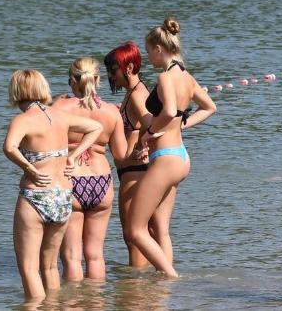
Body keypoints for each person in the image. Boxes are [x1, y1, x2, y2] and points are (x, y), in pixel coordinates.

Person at [125, 18, 216, 277]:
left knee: (135, 230)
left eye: (148, 51)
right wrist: (181, 125)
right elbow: (209, 107)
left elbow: (167, 111)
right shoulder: (187, 77)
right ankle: (164, 289)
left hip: (165, 158)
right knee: (161, 229)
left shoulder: (165, 76)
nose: (148, 57)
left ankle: (170, 277)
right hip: (180, 157)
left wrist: (149, 134)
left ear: (158, 49)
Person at [3, 69, 102, 299]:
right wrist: (74, 155)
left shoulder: (22, 120)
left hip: (36, 196)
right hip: (63, 196)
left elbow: (9, 147)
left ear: (18, 91)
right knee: (49, 267)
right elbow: (95, 127)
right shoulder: (59, 115)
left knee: (29, 268)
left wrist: (29, 168)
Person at [51, 57, 128, 280]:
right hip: (102, 182)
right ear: (98, 80)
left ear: (73, 81)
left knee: (72, 257)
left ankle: (75, 303)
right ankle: (95, 302)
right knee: (95, 256)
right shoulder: (112, 112)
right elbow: (122, 156)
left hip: (71, 179)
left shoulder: (60, 108)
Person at [103, 42, 156, 268]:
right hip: (133, 170)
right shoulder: (133, 92)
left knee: (133, 236)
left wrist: (143, 145)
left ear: (129, 67)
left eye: (113, 70)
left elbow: (150, 122)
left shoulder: (137, 95)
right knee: (143, 233)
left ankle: (136, 288)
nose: (110, 76)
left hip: (135, 171)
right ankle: (149, 287)